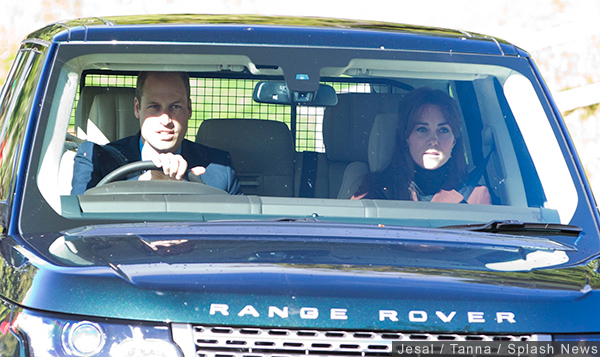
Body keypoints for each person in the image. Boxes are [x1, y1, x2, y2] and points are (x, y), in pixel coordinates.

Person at [71, 71, 240, 195]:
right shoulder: (95, 157)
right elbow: (78, 221)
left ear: (189, 109)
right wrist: (143, 184)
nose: (166, 119)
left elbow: (237, 231)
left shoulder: (219, 167)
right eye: (154, 107)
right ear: (137, 108)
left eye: (175, 107)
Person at [352, 87, 491, 204]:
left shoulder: (476, 195)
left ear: (454, 141)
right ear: (406, 137)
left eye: (443, 130)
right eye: (422, 129)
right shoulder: (374, 189)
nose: (433, 140)